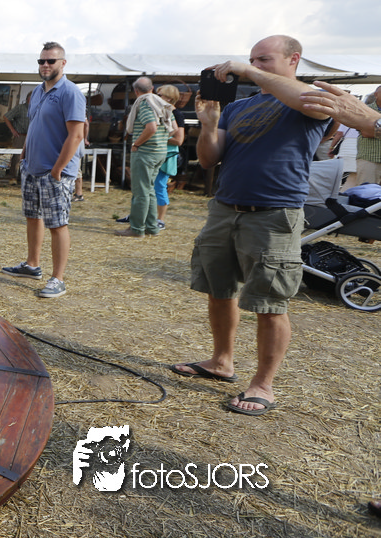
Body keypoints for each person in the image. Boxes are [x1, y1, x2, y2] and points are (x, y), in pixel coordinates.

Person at [170, 35, 329, 416]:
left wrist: (247, 71)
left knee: (269, 302)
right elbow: (208, 160)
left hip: (274, 213)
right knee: (218, 289)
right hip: (226, 208)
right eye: (252, 60)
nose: (254, 66)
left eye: (264, 60)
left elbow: (310, 101)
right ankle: (221, 362)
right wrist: (209, 126)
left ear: (294, 59)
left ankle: (263, 384)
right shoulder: (239, 107)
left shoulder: (310, 98)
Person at [1, 42, 86, 298]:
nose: (45, 65)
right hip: (33, 167)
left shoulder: (70, 92)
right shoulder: (38, 91)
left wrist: (58, 170)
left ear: (63, 63)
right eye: (42, 61)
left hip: (54, 171)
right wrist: (25, 153)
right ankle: (32, 265)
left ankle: (58, 279)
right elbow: (35, 124)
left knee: (57, 224)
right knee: (32, 216)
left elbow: (76, 135)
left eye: (51, 61)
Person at [116, 77, 172, 237]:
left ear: (135, 91)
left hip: (146, 153)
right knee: (150, 190)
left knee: (140, 192)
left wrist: (137, 143)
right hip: (159, 151)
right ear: (152, 88)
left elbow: (151, 127)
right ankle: (151, 227)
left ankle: (136, 229)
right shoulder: (160, 102)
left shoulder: (145, 103)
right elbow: (173, 128)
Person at [154, 84, 186, 227]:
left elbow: (179, 140)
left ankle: (160, 220)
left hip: (168, 156)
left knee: (160, 185)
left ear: (169, 97)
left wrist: (157, 137)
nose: (157, 97)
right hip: (157, 154)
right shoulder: (160, 111)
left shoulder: (176, 114)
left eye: (159, 95)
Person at [346, 84, 381, 189]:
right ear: (376, 94)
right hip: (370, 158)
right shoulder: (365, 111)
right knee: (366, 191)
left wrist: (375, 129)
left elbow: (371, 131)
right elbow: (366, 132)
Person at [2, 90, 32, 178]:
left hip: (31, 137)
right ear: (29, 99)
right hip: (20, 136)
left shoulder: (37, 108)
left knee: (29, 157)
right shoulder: (20, 108)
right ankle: (13, 176)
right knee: (17, 157)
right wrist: (13, 130)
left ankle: (22, 176)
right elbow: (6, 117)